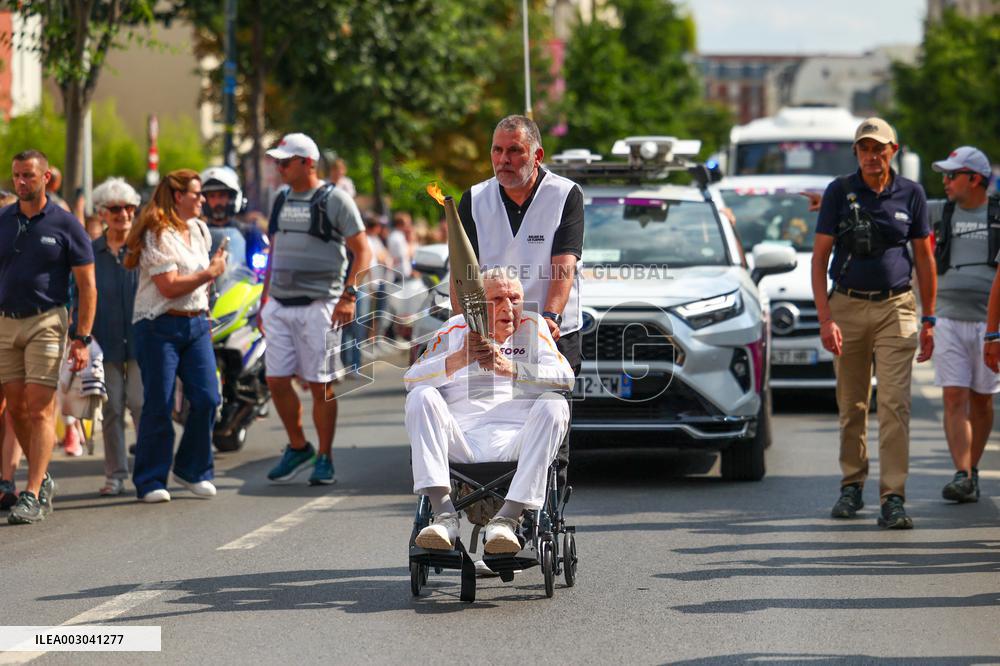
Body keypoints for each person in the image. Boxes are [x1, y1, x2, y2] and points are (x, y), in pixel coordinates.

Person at [811, 118, 936, 529]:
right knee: (853, 405)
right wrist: (826, 318)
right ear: (856, 153)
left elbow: (924, 258)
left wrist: (929, 319)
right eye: (864, 148)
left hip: (896, 307)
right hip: (846, 307)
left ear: (893, 150)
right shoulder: (839, 192)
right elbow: (819, 259)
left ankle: (893, 496)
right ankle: (852, 484)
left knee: (895, 405)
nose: (871, 155)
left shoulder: (911, 194)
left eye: (878, 148)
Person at [456, 114, 584, 486]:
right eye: (497, 150)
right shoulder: (475, 199)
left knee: (548, 410)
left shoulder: (564, 195)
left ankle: (541, 497)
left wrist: (549, 317)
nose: (503, 159)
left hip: (549, 327)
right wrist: (464, 324)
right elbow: (463, 272)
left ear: (537, 154)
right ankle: (486, 490)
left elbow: (563, 265)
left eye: (515, 150)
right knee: (489, 411)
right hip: (492, 325)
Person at [405, 270, 573, 552]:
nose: (508, 307)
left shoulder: (534, 326)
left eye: (515, 298)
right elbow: (411, 379)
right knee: (421, 396)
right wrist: (458, 360)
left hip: (518, 442)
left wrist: (511, 369)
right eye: (497, 299)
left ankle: (507, 520)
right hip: (461, 442)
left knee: (555, 405)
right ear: (477, 306)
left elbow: (565, 377)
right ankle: (444, 515)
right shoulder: (454, 329)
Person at [261, 133, 370, 485]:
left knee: (319, 383)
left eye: (285, 161)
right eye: (277, 162)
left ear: (307, 163)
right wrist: (265, 298)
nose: (279, 168)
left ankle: (324, 456)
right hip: (279, 303)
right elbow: (274, 247)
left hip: (319, 304)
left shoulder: (334, 199)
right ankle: (298, 446)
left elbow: (362, 250)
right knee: (275, 380)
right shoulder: (279, 198)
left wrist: (349, 296)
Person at [0, 149, 96, 524]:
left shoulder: (66, 224)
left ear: (46, 179)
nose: (21, 182)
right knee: (16, 406)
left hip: (47, 321)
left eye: (28, 175)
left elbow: (88, 286)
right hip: (6, 321)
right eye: (16, 176)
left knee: (39, 406)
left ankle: (33, 491)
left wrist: (82, 337)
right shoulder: (3, 220)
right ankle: (44, 476)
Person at [124, 169, 226, 503]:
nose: (203, 200)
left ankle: (192, 469)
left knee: (208, 397)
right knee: (160, 403)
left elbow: (200, 280)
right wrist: (208, 273)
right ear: (178, 196)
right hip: (158, 325)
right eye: (197, 194)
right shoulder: (158, 232)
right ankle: (151, 479)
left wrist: (210, 280)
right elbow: (167, 287)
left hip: (195, 323)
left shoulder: (199, 229)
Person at [927, 147, 996, 504]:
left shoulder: (998, 214)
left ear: (975, 179)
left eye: (952, 175)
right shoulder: (941, 210)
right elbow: (891, 211)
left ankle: (972, 469)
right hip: (949, 317)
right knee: (954, 395)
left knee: (981, 401)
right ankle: (963, 472)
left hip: (990, 321)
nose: (945, 181)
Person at [87, 177, 144, 496]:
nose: (123, 214)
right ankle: (116, 474)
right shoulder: (91, 251)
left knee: (140, 403)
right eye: (115, 209)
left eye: (129, 208)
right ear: (102, 213)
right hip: (103, 339)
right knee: (112, 409)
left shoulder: (144, 246)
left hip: (141, 339)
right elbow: (80, 292)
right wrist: (79, 335)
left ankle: (149, 470)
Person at [200, 166, 266, 272]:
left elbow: (265, 256)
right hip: (206, 285)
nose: (217, 202)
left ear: (231, 198)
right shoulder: (198, 233)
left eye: (222, 195)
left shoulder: (249, 232)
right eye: (212, 196)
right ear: (204, 200)